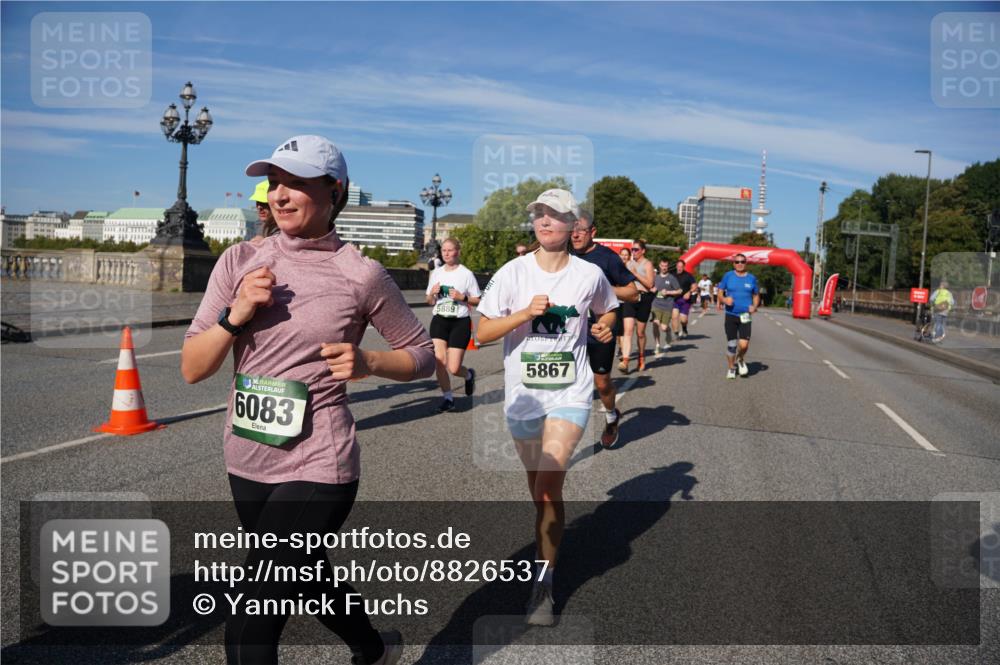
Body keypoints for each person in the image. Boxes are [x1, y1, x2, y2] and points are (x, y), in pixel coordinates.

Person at [181, 135, 434, 665]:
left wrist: (370, 363)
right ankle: (373, 648)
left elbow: (421, 353)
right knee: (308, 574)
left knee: (251, 620)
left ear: (334, 191)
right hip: (248, 456)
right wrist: (236, 315)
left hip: (320, 462)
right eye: (275, 182)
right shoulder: (240, 260)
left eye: (297, 182)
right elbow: (192, 368)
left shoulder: (360, 273)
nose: (281, 194)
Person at [476, 188, 617, 626]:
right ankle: (547, 539)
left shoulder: (589, 274)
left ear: (574, 224)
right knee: (539, 492)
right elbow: (481, 333)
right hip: (524, 397)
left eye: (554, 215)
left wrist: (605, 329)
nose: (544, 221)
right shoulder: (512, 273)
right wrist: (521, 314)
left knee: (548, 485)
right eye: (539, 214)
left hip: (570, 393)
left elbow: (608, 310)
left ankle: (544, 583)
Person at [570, 211, 639, 448]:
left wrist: (602, 288)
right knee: (568, 381)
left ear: (593, 232)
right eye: (572, 230)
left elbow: (632, 292)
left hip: (600, 328)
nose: (575, 234)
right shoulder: (562, 254)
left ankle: (611, 416)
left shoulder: (607, 258)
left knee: (601, 383)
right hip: (568, 331)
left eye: (581, 230)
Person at [426, 237, 480, 412]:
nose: (446, 253)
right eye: (444, 250)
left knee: (454, 367)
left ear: (458, 252)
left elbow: (477, 300)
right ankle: (448, 398)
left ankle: (469, 375)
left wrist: (462, 297)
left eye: (450, 250)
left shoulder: (466, 274)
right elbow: (428, 300)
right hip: (440, 320)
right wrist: (432, 294)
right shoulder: (437, 273)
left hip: (460, 322)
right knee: (439, 361)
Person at [717, 253, 760, 379]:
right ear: (733, 264)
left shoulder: (752, 278)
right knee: (732, 345)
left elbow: (756, 295)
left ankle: (740, 358)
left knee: (744, 345)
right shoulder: (728, 276)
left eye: (742, 261)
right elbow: (720, 292)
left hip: (745, 315)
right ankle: (731, 368)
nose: (740, 264)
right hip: (731, 315)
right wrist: (724, 300)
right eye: (737, 262)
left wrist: (755, 306)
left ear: (746, 263)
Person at [619, 239, 655, 373]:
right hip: (630, 297)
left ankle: (641, 357)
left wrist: (635, 274)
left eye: (636, 249)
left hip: (644, 298)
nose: (633, 252)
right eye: (632, 249)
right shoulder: (628, 264)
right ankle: (626, 361)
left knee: (640, 333)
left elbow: (650, 284)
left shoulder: (648, 264)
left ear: (643, 251)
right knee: (627, 331)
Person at [652, 259, 682, 357]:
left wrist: (668, 292)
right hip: (656, 304)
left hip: (667, 306)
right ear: (659, 266)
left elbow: (679, 291)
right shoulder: (655, 277)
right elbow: (650, 287)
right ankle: (657, 345)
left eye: (665, 266)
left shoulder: (671, 278)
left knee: (664, 328)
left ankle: (668, 332)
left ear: (667, 267)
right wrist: (652, 290)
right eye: (662, 265)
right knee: (655, 323)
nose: (664, 268)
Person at [671, 259, 697, 339]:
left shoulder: (688, 276)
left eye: (681, 267)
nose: (679, 268)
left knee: (683, 320)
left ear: (684, 267)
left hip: (685, 300)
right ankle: (676, 333)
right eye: (678, 266)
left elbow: (695, 286)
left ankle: (684, 328)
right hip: (674, 299)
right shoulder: (672, 275)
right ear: (676, 266)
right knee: (674, 317)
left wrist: (689, 292)